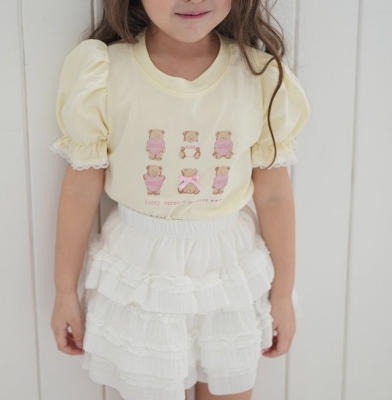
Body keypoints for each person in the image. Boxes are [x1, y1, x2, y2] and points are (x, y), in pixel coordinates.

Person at [50, 0, 310, 399]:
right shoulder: (106, 73)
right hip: (141, 271)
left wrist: (283, 294)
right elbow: (81, 188)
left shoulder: (258, 77)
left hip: (228, 269)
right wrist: (65, 290)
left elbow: (274, 194)